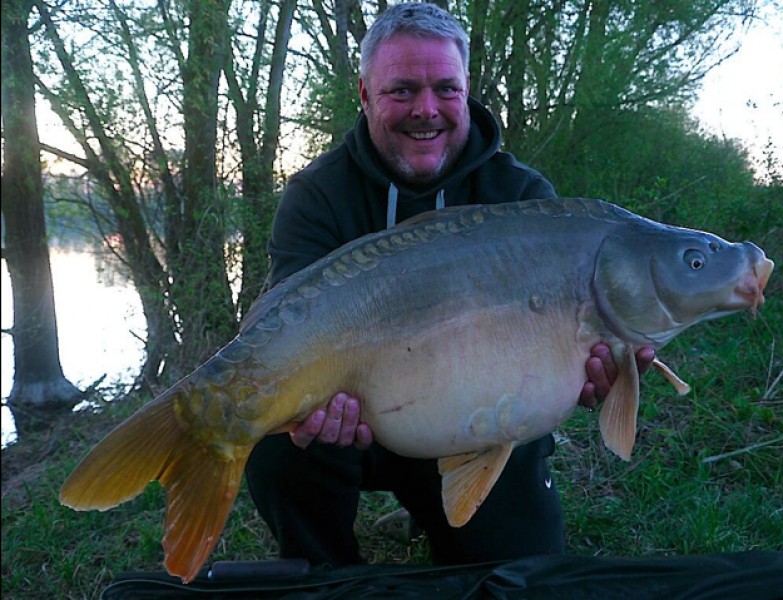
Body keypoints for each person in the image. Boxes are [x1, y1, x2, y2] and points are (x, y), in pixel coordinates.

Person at [245, 2, 653, 567]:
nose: (426, 110)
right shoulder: (317, 194)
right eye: (402, 91)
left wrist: (598, 371)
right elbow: (280, 331)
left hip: (486, 423)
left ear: (467, 92)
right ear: (364, 94)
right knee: (274, 438)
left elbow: (579, 354)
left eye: (446, 89)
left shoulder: (525, 198)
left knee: (518, 573)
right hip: (358, 419)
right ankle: (325, 572)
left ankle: (446, 518)